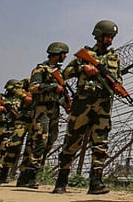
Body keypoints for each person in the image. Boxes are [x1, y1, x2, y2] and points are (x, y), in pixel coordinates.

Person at [52, 20, 122, 195]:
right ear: (98, 36)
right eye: (107, 36)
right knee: (72, 141)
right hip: (83, 103)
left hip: (104, 105)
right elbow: (63, 75)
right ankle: (61, 181)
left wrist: (116, 84)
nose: (110, 40)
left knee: (100, 144)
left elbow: (118, 79)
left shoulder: (114, 58)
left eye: (112, 37)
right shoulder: (83, 56)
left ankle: (96, 182)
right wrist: (83, 68)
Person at [16, 42, 70, 189]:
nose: (65, 57)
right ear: (57, 53)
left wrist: (67, 105)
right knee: (40, 141)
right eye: (64, 54)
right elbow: (33, 88)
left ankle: (26, 174)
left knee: (50, 142)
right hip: (41, 110)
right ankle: (30, 176)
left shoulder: (59, 72)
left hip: (54, 110)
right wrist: (53, 86)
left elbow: (61, 94)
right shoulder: (40, 70)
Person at [0, 78, 33, 186]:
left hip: (37, 118)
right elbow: (13, 87)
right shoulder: (30, 80)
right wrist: (24, 95)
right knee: (14, 145)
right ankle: (2, 173)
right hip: (23, 118)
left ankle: (24, 177)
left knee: (32, 148)